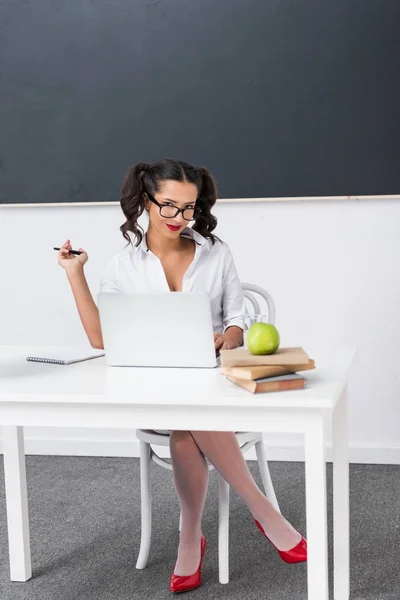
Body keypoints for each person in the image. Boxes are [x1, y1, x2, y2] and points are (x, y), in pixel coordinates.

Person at [58, 158, 306, 593]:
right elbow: (100, 338)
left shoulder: (216, 252)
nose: (180, 218)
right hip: (154, 387)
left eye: (190, 208)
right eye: (169, 206)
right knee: (186, 420)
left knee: (186, 428)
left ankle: (190, 538)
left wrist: (226, 338)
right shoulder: (124, 265)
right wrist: (74, 273)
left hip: (212, 387)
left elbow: (237, 319)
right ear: (145, 201)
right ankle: (265, 513)